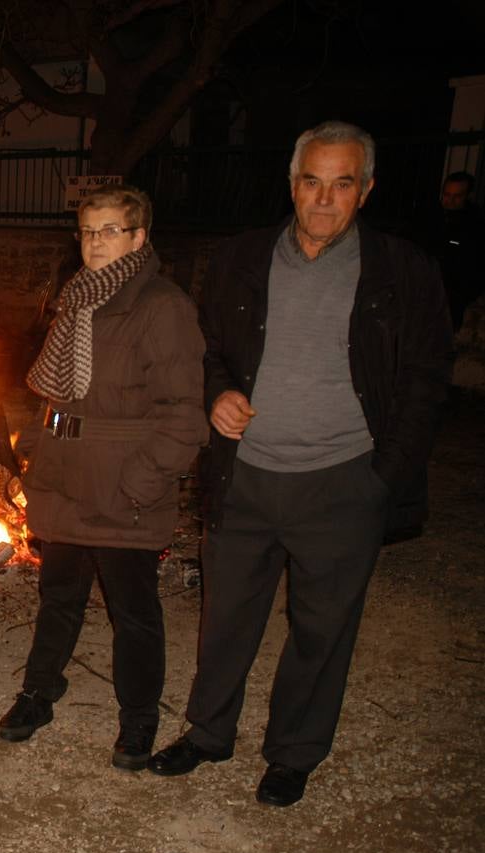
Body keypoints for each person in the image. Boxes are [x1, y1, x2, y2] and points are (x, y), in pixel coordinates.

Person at [148, 122, 454, 806]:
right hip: (245, 477)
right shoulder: (238, 259)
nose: (323, 198)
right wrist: (216, 394)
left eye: (341, 183)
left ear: (364, 190)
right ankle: (207, 733)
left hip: (342, 481)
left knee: (320, 630)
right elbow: (211, 352)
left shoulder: (401, 270)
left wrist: (383, 480)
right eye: (311, 181)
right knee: (225, 618)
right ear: (291, 185)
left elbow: (426, 378)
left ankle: (293, 753)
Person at [0, 185, 207, 771]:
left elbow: (183, 413)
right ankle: (39, 694)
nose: (95, 242)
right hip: (64, 479)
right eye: (88, 231)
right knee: (58, 596)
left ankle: (138, 720)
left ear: (140, 237)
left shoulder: (162, 307)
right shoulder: (76, 302)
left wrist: (143, 481)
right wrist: (35, 450)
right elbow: (57, 397)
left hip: (122, 486)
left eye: (111, 230)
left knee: (133, 610)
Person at [422, 171, 485, 333]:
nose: (449, 200)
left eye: (456, 196)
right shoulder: (432, 214)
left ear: (467, 196)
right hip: (426, 283)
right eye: (446, 194)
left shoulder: (474, 224)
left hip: (454, 291)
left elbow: (472, 266)